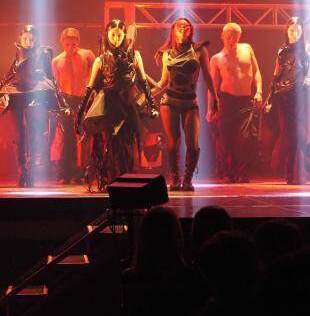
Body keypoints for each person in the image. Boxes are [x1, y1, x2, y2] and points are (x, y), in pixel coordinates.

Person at [75, 19, 158, 192]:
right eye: (112, 35)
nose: (116, 38)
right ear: (107, 34)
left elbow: (143, 81)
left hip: (128, 105)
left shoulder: (135, 55)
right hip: (109, 106)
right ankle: (111, 179)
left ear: (124, 35)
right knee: (110, 143)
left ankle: (126, 179)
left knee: (127, 143)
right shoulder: (100, 60)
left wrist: (152, 104)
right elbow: (90, 87)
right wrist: (81, 112)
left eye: (119, 35)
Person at [0, 24, 69, 187]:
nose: (28, 42)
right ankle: (22, 171)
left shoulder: (44, 53)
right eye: (25, 39)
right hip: (18, 95)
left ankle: (30, 171)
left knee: (34, 134)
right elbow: (11, 74)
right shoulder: (19, 52)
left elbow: (51, 77)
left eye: (31, 39)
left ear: (36, 39)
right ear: (20, 38)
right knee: (18, 135)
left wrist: (60, 100)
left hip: (36, 94)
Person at [154, 18, 217, 191]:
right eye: (179, 27)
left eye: (186, 27)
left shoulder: (199, 50)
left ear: (190, 30)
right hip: (169, 101)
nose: (182, 30)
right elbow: (163, 82)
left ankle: (188, 179)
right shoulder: (167, 53)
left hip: (190, 101)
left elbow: (208, 76)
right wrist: (147, 94)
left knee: (193, 144)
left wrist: (215, 99)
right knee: (173, 144)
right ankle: (175, 179)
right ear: (173, 30)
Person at [208, 22, 262, 183]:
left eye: (235, 37)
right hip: (227, 101)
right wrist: (210, 108)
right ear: (222, 36)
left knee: (247, 138)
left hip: (245, 100)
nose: (232, 40)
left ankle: (242, 172)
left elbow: (256, 72)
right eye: (229, 37)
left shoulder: (247, 48)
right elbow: (212, 87)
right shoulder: (217, 58)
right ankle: (229, 172)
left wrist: (259, 91)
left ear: (239, 36)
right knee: (226, 139)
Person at [267, 16, 310, 184]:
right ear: (286, 32)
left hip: (300, 95)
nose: (295, 33)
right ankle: (290, 173)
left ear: (302, 32)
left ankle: (297, 172)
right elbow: (276, 72)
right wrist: (270, 94)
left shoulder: (308, 49)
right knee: (288, 133)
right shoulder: (282, 50)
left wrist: (308, 80)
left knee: (298, 132)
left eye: (298, 30)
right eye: (292, 30)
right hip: (282, 96)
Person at [51, 28, 95, 184]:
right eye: (67, 44)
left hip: (83, 99)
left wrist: (92, 97)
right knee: (68, 137)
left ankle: (82, 172)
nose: (70, 47)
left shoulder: (87, 55)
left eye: (74, 44)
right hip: (66, 100)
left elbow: (96, 76)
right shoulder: (56, 61)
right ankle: (66, 173)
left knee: (83, 137)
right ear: (62, 43)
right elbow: (56, 86)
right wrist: (59, 105)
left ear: (78, 42)